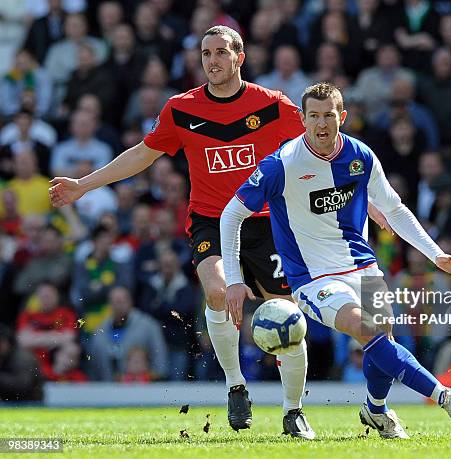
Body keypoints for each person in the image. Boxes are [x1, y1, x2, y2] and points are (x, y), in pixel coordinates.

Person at [50, 25, 325, 437]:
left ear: (239, 57)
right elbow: (142, 154)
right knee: (215, 291)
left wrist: (363, 193)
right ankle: (236, 386)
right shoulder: (182, 108)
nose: (212, 61)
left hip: (267, 221)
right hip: (211, 219)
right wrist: (83, 184)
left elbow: (319, 145)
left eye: (220, 53)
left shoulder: (272, 105)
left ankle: (293, 410)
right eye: (205, 53)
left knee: (285, 316)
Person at [221, 83, 451, 439]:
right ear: (302, 119)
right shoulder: (282, 164)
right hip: (314, 278)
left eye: (328, 115)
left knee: (383, 334)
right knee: (367, 330)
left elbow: (394, 209)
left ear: (342, 117)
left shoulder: (361, 156)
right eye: (313, 116)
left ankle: (375, 410)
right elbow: (231, 214)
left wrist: (436, 254)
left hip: (363, 266)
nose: (321, 124)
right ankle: (443, 395)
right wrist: (234, 278)